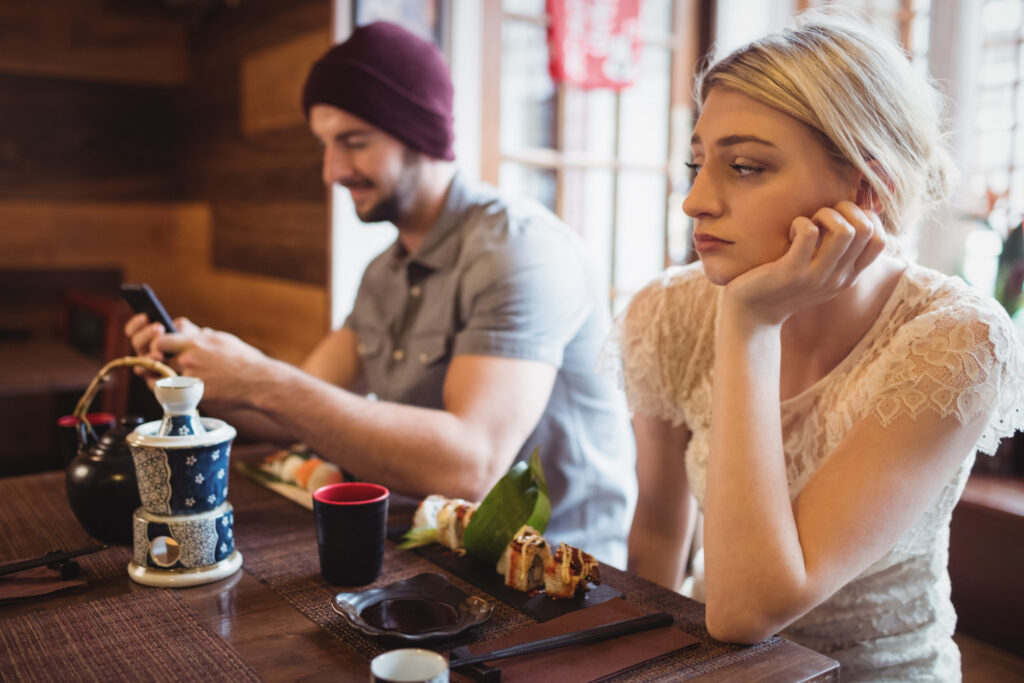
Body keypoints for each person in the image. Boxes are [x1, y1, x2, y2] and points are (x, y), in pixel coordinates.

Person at [126, 21, 636, 566]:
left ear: (421, 133)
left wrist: (262, 379)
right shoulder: (383, 273)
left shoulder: (520, 250)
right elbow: (296, 407)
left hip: (562, 575)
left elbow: (472, 465)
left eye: (354, 141)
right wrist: (203, 375)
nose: (332, 170)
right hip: (437, 552)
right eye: (325, 145)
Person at [611, 11, 1024, 681]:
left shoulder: (955, 340)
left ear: (869, 189)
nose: (695, 201)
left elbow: (747, 609)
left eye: (745, 167)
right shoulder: (666, 312)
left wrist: (749, 324)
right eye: (697, 162)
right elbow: (658, 535)